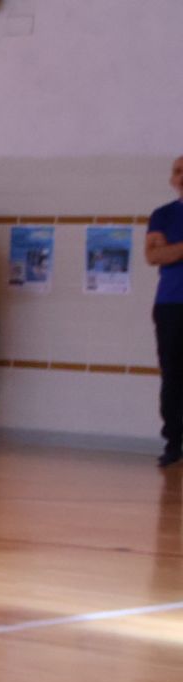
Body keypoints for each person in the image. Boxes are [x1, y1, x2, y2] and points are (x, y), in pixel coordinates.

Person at [145, 155, 183, 468]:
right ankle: (174, 442)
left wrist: (173, 248)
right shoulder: (163, 215)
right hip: (171, 304)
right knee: (173, 375)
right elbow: (154, 255)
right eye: (178, 171)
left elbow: (166, 251)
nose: (181, 176)